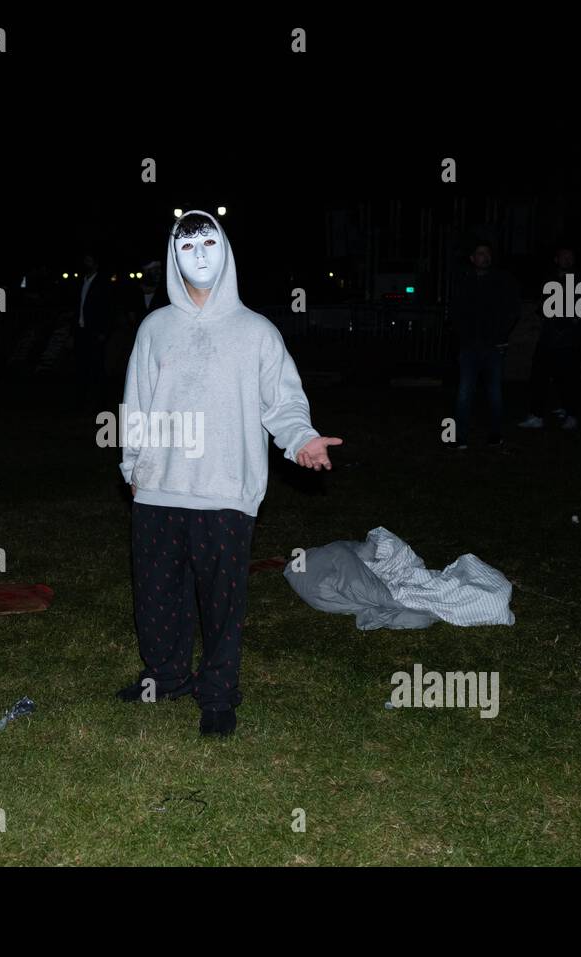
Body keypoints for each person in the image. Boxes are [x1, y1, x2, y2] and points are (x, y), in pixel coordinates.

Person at [118, 210, 342, 737]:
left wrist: (302, 439)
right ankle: (166, 677)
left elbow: (282, 402)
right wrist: (133, 465)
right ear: (174, 258)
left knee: (222, 605)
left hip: (225, 492)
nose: (198, 256)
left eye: (208, 244)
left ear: (226, 252)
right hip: (158, 488)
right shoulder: (155, 329)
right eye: (186, 247)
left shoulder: (256, 332)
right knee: (155, 598)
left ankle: (217, 694)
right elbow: (137, 405)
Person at [451, 241, 520, 448]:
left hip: (494, 346)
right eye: (480, 253)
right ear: (472, 258)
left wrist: (501, 335)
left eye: (488, 253)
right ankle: (460, 437)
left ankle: (495, 435)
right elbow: (456, 311)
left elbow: (513, 309)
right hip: (470, 345)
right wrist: (463, 337)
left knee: (494, 392)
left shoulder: (502, 281)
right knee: (465, 391)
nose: (485, 257)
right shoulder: (464, 281)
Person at [519, 246, 581, 431]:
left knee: (569, 379)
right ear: (556, 259)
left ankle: (571, 415)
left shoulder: (580, 281)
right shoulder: (548, 280)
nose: (567, 259)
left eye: (570, 256)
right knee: (539, 377)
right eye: (564, 256)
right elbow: (542, 306)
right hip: (548, 339)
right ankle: (537, 416)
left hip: (569, 341)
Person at [73, 251, 114, 410]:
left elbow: (108, 309)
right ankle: (81, 401)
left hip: (95, 333)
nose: (85, 263)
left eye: (89, 260)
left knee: (97, 368)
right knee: (81, 367)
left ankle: (100, 402)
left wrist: (103, 332)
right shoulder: (80, 282)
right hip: (81, 331)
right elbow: (77, 307)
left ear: (95, 264)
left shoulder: (102, 283)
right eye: (85, 260)